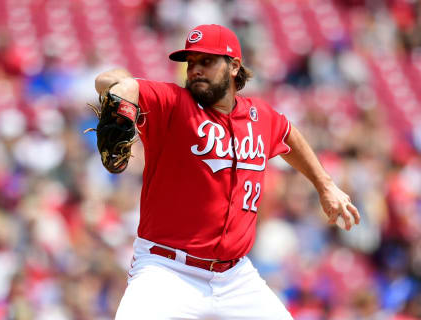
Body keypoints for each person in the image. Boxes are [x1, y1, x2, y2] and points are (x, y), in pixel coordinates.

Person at [94, 24, 360, 320]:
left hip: (235, 278)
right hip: (166, 271)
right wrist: (124, 89)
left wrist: (325, 186)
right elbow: (108, 82)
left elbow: (287, 135)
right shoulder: (173, 103)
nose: (194, 70)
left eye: (206, 61)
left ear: (234, 66)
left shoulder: (260, 116)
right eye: (190, 62)